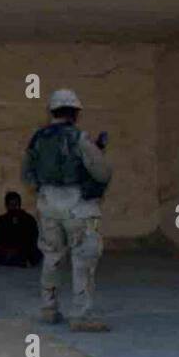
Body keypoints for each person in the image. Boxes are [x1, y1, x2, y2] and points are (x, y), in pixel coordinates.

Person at [20, 89, 113, 331]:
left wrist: (44, 189)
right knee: (83, 260)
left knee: (51, 257)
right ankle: (81, 316)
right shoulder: (80, 138)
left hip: (47, 203)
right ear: (75, 112)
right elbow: (102, 172)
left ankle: (49, 309)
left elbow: (27, 174)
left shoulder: (37, 138)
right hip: (78, 206)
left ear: (52, 111)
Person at [0, 191, 42, 266]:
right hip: (6, 249)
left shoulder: (28, 219)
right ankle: (13, 260)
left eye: (16, 204)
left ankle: (13, 260)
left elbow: (33, 238)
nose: (14, 207)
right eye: (11, 205)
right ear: (6, 205)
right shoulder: (2, 219)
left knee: (35, 254)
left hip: (22, 250)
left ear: (19, 204)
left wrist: (17, 249)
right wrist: (4, 248)